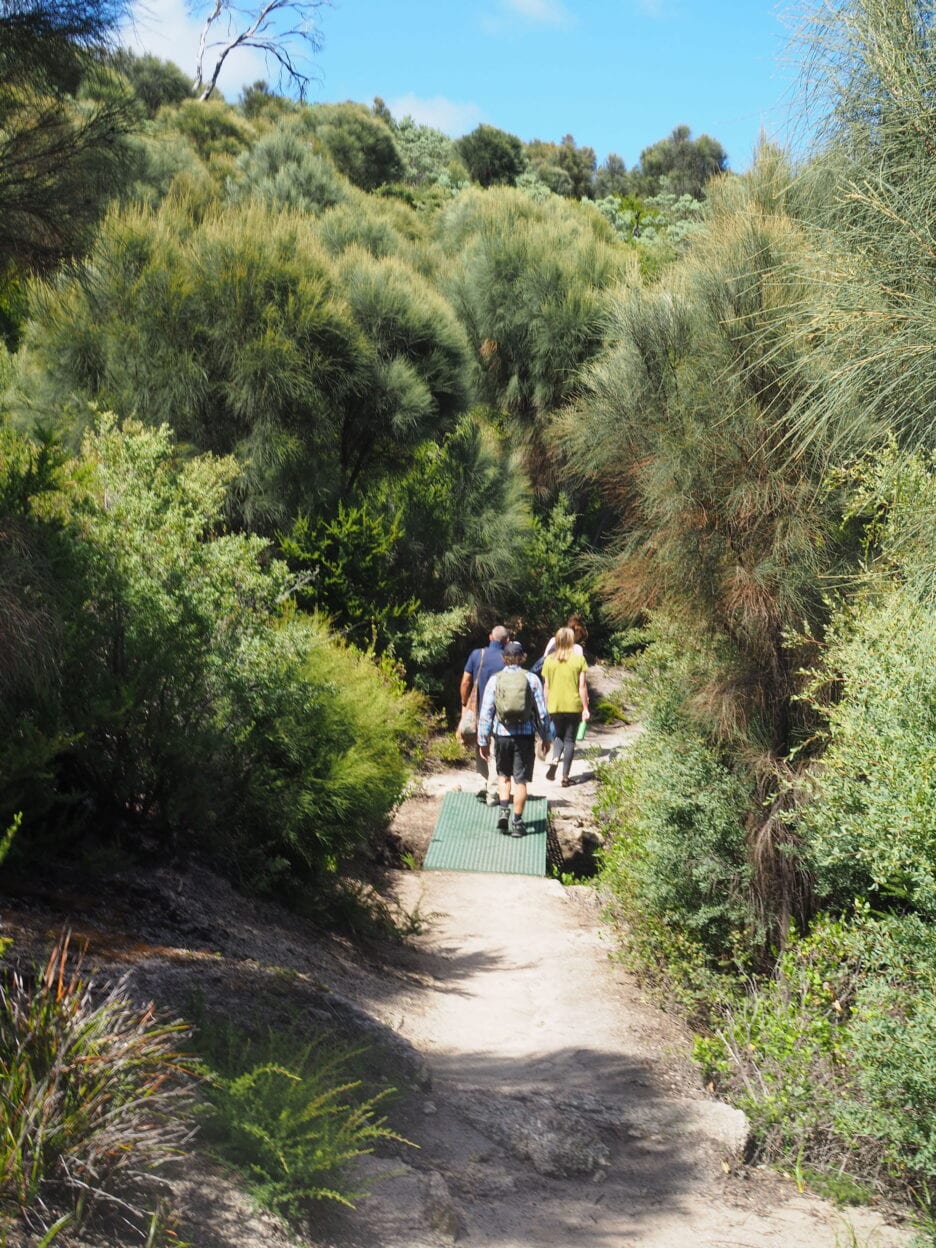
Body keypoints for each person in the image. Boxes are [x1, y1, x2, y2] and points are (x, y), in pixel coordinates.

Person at [478, 640, 550, 837]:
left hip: (501, 736)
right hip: (524, 737)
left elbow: (486, 713)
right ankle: (517, 823)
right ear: (522, 657)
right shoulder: (531, 679)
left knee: (503, 775)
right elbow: (542, 713)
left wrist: (482, 741)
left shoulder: (495, 680)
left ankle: (503, 810)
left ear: (504, 658)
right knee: (521, 781)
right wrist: (546, 737)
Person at [461, 624, 509, 805]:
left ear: (490, 637)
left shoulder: (477, 655)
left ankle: (482, 782)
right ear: (507, 641)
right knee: (495, 751)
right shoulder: (507, 658)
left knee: (480, 745)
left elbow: (466, 681)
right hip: (501, 712)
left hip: (480, 709)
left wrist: (464, 703)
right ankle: (493, 791)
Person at [542, 626, 590, 788]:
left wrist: (546, 706)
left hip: (555, 705)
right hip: (573, 704)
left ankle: (555, 758)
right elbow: (582, 686)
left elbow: (546, 687)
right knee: (569, 740)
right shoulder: (579, 660)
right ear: (571, 641)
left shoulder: (549, 661)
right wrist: (585, 708)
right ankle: (565, 776)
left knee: (559, 737)